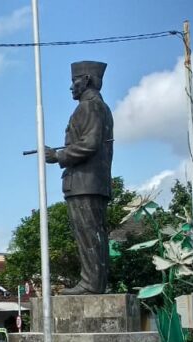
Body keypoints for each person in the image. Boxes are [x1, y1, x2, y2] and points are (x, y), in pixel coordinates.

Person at [45, 60, 115, 295]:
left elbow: (90, 144)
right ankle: (96, 283)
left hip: (85, 183)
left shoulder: (88, 107)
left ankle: (90, 284)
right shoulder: (101, 107)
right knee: (94, 234)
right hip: (92, 183)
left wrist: (58, 155)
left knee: (88, 234)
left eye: (74, 81)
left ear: (86, 80)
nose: (71, 87)